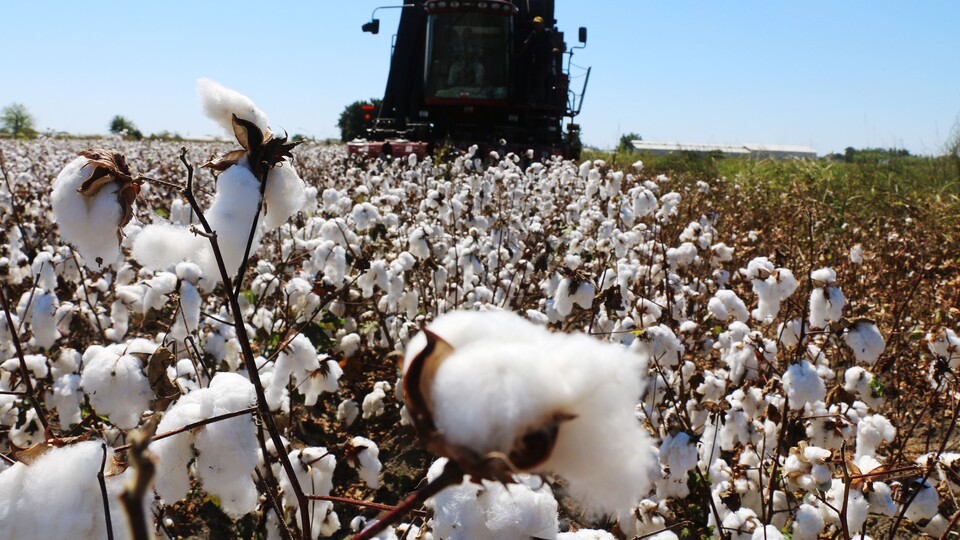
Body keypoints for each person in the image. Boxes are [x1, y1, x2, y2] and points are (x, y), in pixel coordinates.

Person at [522, 16, 564, 105]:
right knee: (533, 79)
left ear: (542, 24)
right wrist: (522, 50)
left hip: (546, 62)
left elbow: (552, 42)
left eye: (538, 23)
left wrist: (555, 48)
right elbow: (527, 42)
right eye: (535, 24)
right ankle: (532, 98)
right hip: (536, 61)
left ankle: (539, 101)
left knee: (540, 80)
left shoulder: (547, 32)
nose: (536, 25)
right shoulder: (534, 34)